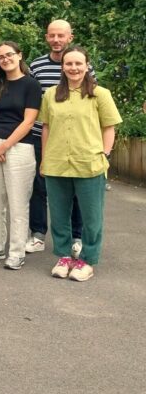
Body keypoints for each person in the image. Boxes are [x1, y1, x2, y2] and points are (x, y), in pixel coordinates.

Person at [40, 46, 121, 281]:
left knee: (91, 217)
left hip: (89, 164)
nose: (73, 68)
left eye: (78, 63)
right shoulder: (51, 94)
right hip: (56, 164)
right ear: (62, 67)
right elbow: (45, 127)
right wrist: (44, 159)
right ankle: (64, 256)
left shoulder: (100, 94)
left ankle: (87, 259)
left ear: (86, 66)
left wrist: (104, 154)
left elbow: (109, 127)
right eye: (68, 64)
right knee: (58, 214)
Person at [0, 41, 42, 270]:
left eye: (9, 55)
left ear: (19, 55)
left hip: (18, 148)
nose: (5, 59)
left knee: (18, 203)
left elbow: (29, 121)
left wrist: (4, 146)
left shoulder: (31, 85)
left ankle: (16, 251)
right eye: (1, 57)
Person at [26, 19, 85, 256]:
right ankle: (38, 234)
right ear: (46, 37)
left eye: (61, 35)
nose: (56, 40)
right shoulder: (37, 65)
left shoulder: (81, 64)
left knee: (75, 190)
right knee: (39, 189)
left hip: (75, 141)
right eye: (52, 35)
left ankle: (76, 236)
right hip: (42, 135)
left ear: (70, 37)